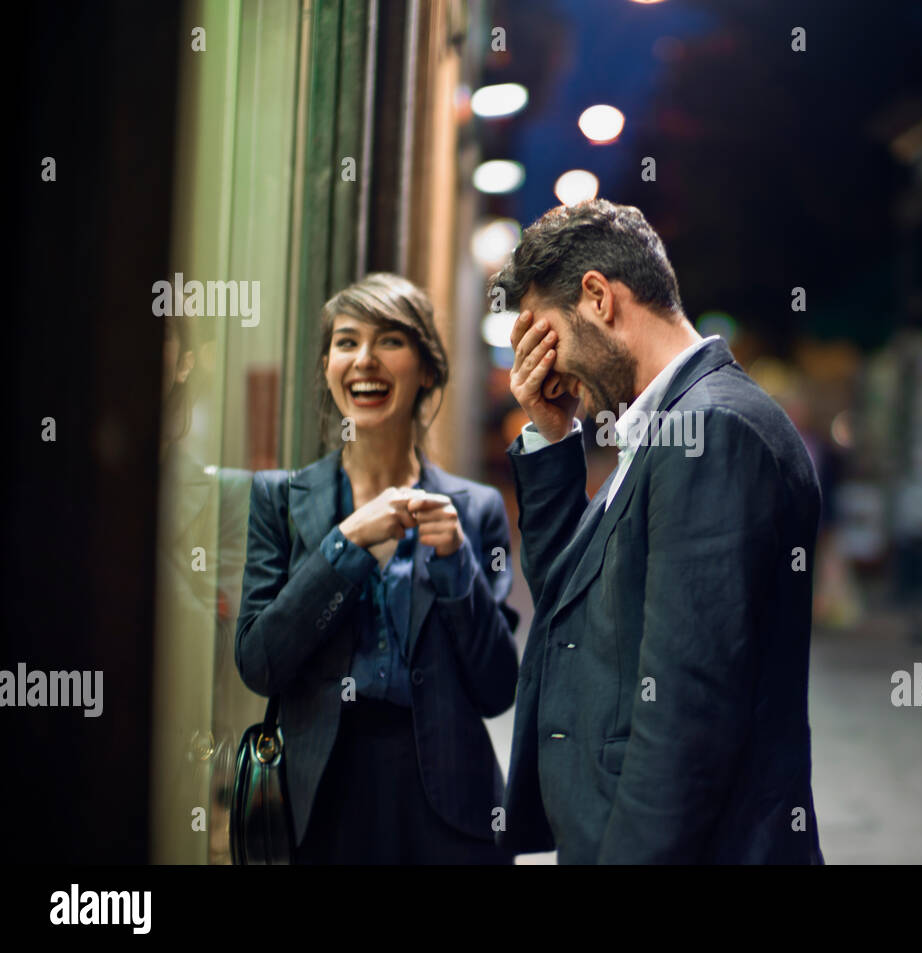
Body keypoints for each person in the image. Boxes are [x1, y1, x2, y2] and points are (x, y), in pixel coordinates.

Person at [493, 199, 824, 863]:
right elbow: (571, 605)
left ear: (598, 297)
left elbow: (685, 717)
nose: (546, 368)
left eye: (546, 337)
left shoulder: (710, 432)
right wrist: (556, 439)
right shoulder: (666, 427)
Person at [235, 273, 519, 864]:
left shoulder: (475, 510)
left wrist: (456, 565)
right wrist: (345, 545)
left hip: (449, 810)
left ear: (428, 370)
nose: (364, 359)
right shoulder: (280, 501)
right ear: (328, 366)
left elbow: (496, 689)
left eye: (390, 340)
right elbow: (260, 663)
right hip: (319, 804)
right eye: (346, 341)